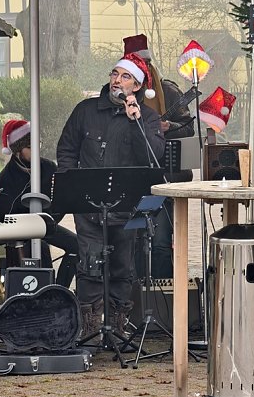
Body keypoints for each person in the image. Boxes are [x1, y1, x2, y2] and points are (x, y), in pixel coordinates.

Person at [57, 52, 165, 337]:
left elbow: (153, 157)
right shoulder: (86, 110)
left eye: (126, 76)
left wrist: (136, 121)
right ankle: (89, 329)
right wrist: (73, 184)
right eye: (114, 73)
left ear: (138, 86)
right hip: (89, 205)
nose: (117, 80)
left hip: (127, 207)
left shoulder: (149, 119)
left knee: (123, 268)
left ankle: (117, 327)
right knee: (89, 265)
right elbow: (66, 149)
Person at [123, 34, 195, 280]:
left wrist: (169, 126)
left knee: (162, 242)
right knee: (133, 242)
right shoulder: (122, 97)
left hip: (165, 177)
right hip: (133, 178)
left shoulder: (168, 90)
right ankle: (136, 295)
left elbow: (188, 128)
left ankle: (165, 293)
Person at [0, 119, 79, 287]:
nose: (36, 150)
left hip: (46, 223)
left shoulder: (49, 167)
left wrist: (51, 220)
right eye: (30, 147)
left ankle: (59, 288)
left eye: (37, 144)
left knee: (77, 245)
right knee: (40, 247)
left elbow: (61, 197)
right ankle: (45, 291)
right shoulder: (5, 177)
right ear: (18, 150)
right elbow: (6, 212)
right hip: (20, 230)